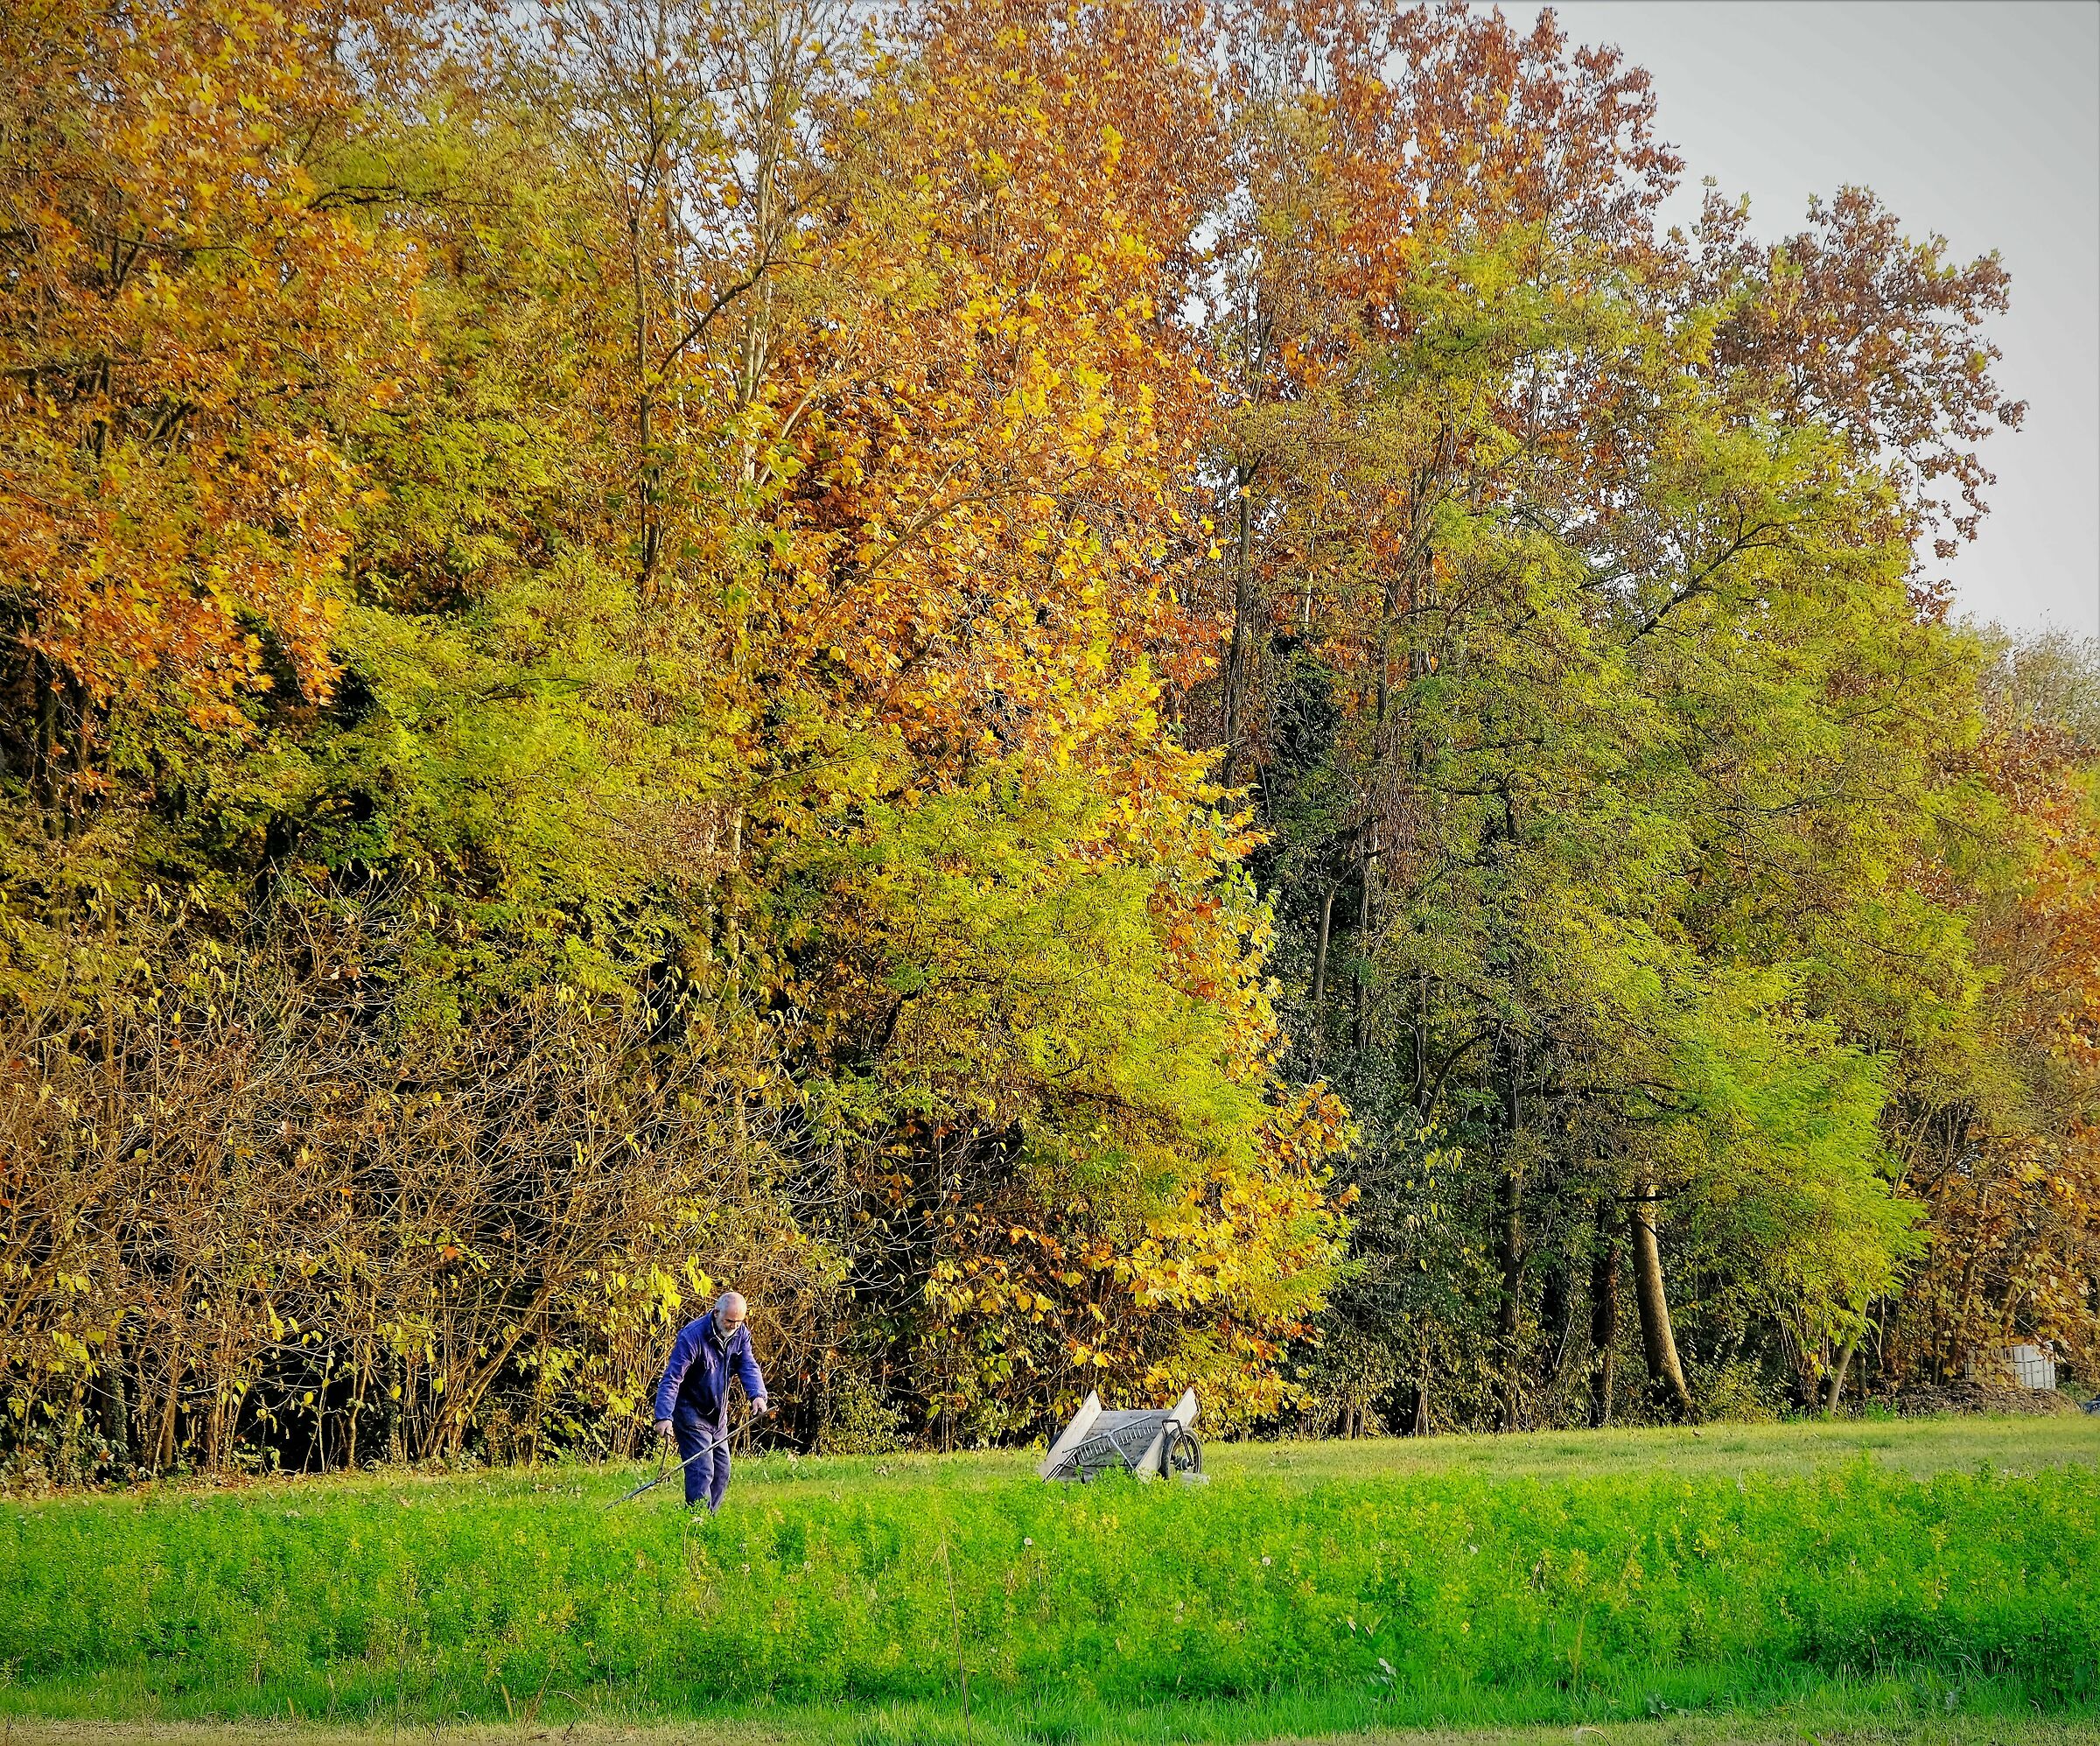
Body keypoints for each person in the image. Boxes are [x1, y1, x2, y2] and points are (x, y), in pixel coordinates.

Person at [653, 1291, 769, 1512]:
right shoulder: (692, 1336)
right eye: (729, 1321)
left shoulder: (740, 1334)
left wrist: (757, 1395)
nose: (734, 1326)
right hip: (689, 1411)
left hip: (718, 1414)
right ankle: (696, 1521)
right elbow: (672, 1378)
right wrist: (664, 1416)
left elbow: (748, 1365)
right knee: (702, 1468)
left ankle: (709, 1519)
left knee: (722, 1470)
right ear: (716, 1313)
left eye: (738, 1322)